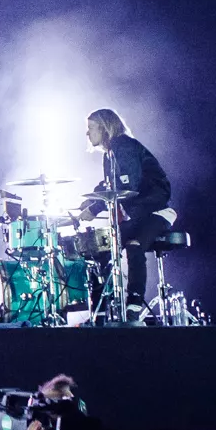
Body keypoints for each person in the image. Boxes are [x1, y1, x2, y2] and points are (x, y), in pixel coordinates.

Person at [80, 109, 172, 311]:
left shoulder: (124, 146)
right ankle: (100, 310)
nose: (87, 133)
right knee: (101, 249)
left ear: (105, 128)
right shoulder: (109, 155)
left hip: (155, 211)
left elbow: (127, 186)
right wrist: (91, 200)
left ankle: (134, 306)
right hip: (137, 215)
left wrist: (95, 208)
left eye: (91, 128)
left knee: (134, 245)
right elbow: (109, 185)